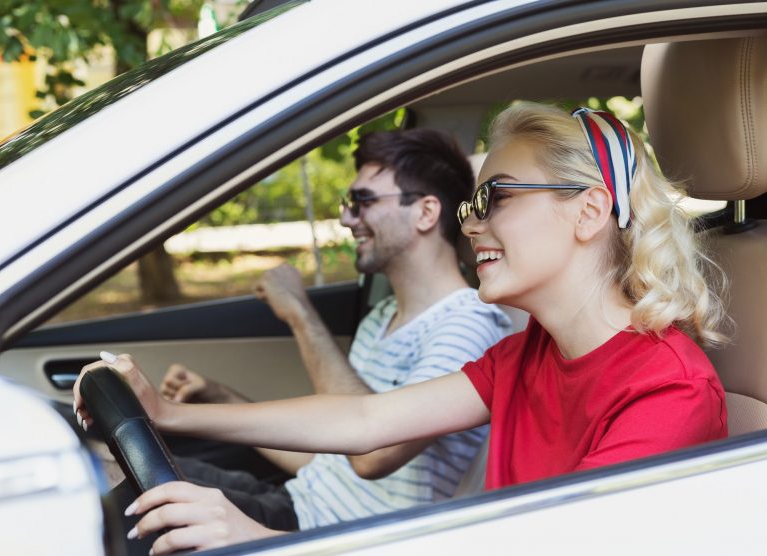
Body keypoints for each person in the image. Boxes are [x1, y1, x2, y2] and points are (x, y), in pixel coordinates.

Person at [75, 102, 729, 555]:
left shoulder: (667, 391)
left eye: (493, 198)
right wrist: (167, 415)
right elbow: (365, 422)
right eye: (471, 205)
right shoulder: (525, 355)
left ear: (589, 212)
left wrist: (267, 545)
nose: (470, 225)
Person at [94, 128, 514, 544]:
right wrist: (223, 398)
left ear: (425, 212)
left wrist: (300, 313)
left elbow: (371, 450)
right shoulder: (383, 315)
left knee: (116, 509)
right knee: (106, 469)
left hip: (327, 534)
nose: (347, 218)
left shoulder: (468, 322)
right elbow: (330, 452)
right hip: (296, 501)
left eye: (362, 201)